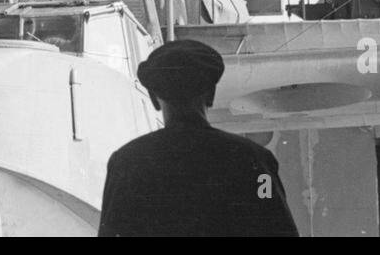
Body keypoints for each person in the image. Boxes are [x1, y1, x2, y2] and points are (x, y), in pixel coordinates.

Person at [98, 39, 299, 237]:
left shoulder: (126, 164)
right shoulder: (257, 163)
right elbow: (278, 225)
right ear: (211, 95)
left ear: (153, 99)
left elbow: (111, 231)